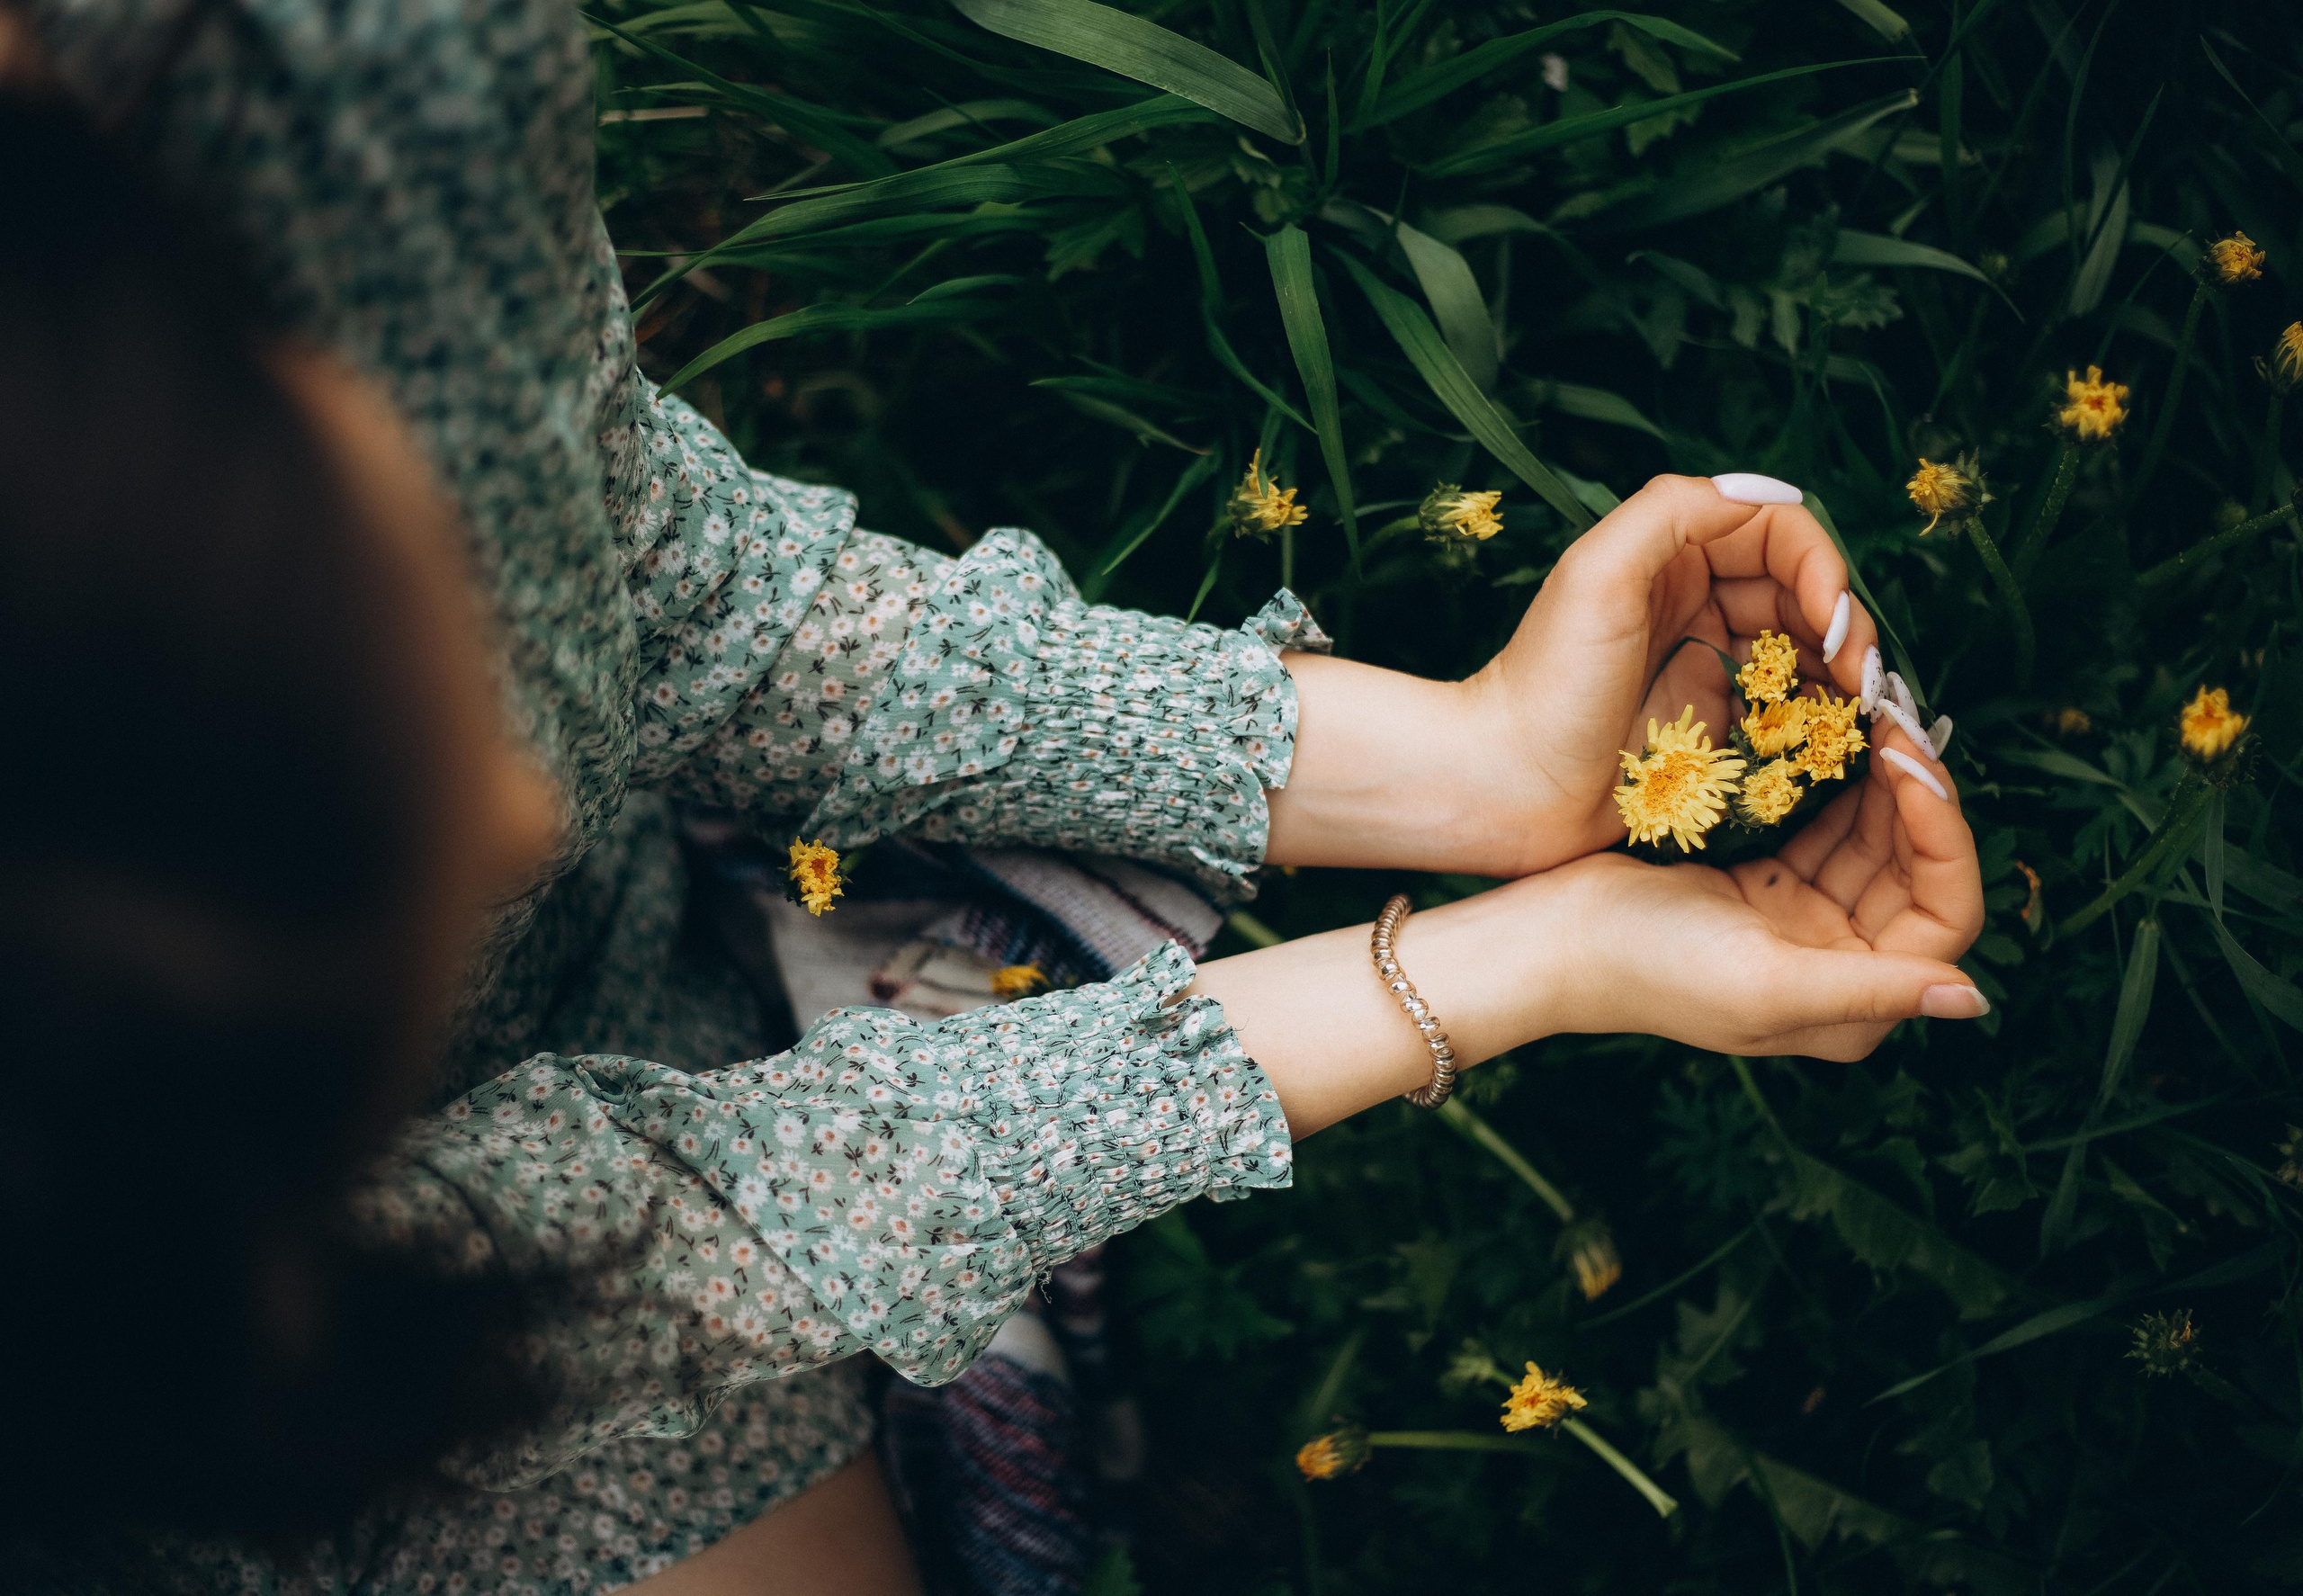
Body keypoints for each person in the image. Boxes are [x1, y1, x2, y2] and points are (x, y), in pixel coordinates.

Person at [0, 4, 1985, 1593]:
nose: (531, 812)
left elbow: (658, 573)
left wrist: (1476, 773)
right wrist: (1506, 969)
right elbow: (638, 1241)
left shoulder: (344, 55)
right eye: (314, 807)